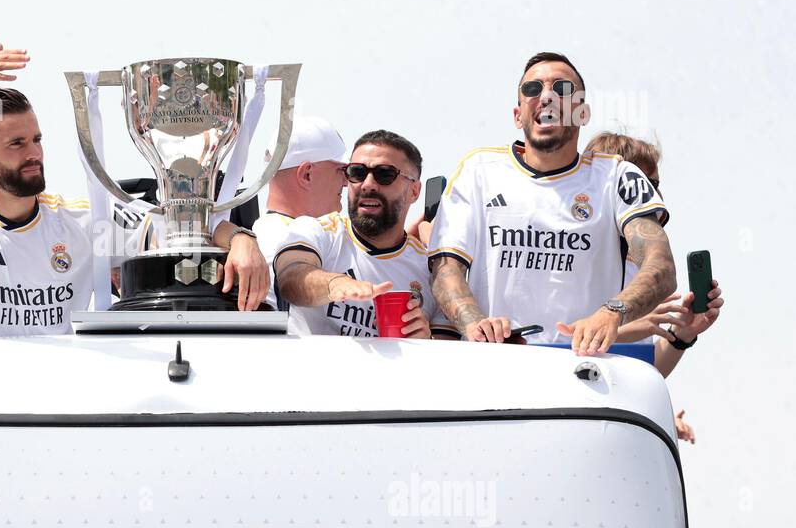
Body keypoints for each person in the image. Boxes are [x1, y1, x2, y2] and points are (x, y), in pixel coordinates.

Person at [0, 45, 271, 337]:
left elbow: (178, 227)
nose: (34, 153)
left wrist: (239, 238)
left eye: (36, 139)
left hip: (66, 405)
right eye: (16, 144)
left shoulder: (82, 218)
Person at [428, 52, 676, 355]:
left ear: (583, 114)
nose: (546, 96)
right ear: (518, 115)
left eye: (563, 89)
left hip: (584, 372)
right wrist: (474, 323)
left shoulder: (617, 175)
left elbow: (661, 265)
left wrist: (611, 312)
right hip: (496, 364)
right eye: (532, 89)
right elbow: (445, 269)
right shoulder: (477, 170)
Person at [583, 131, 724, 379]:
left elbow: (649, 372)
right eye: (646, 184)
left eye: (656, 185)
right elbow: (555, 337)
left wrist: (683, 334)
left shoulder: (641, 272)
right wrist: (622, 324)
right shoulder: (574, 254)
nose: (656, 196)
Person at [273, 130, 438, 339]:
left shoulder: (431, 270)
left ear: (414, 191)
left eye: (385, 174)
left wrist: (427, 343)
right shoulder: (318, 231)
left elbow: (449, 351)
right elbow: (290, 276)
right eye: (357, 172)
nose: (367, 184)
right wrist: (334, 284)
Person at [251, 115, 349, 264]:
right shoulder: (279, 239)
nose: (347, 182)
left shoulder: (273, 232)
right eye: (342, 170)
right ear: (306, 175)